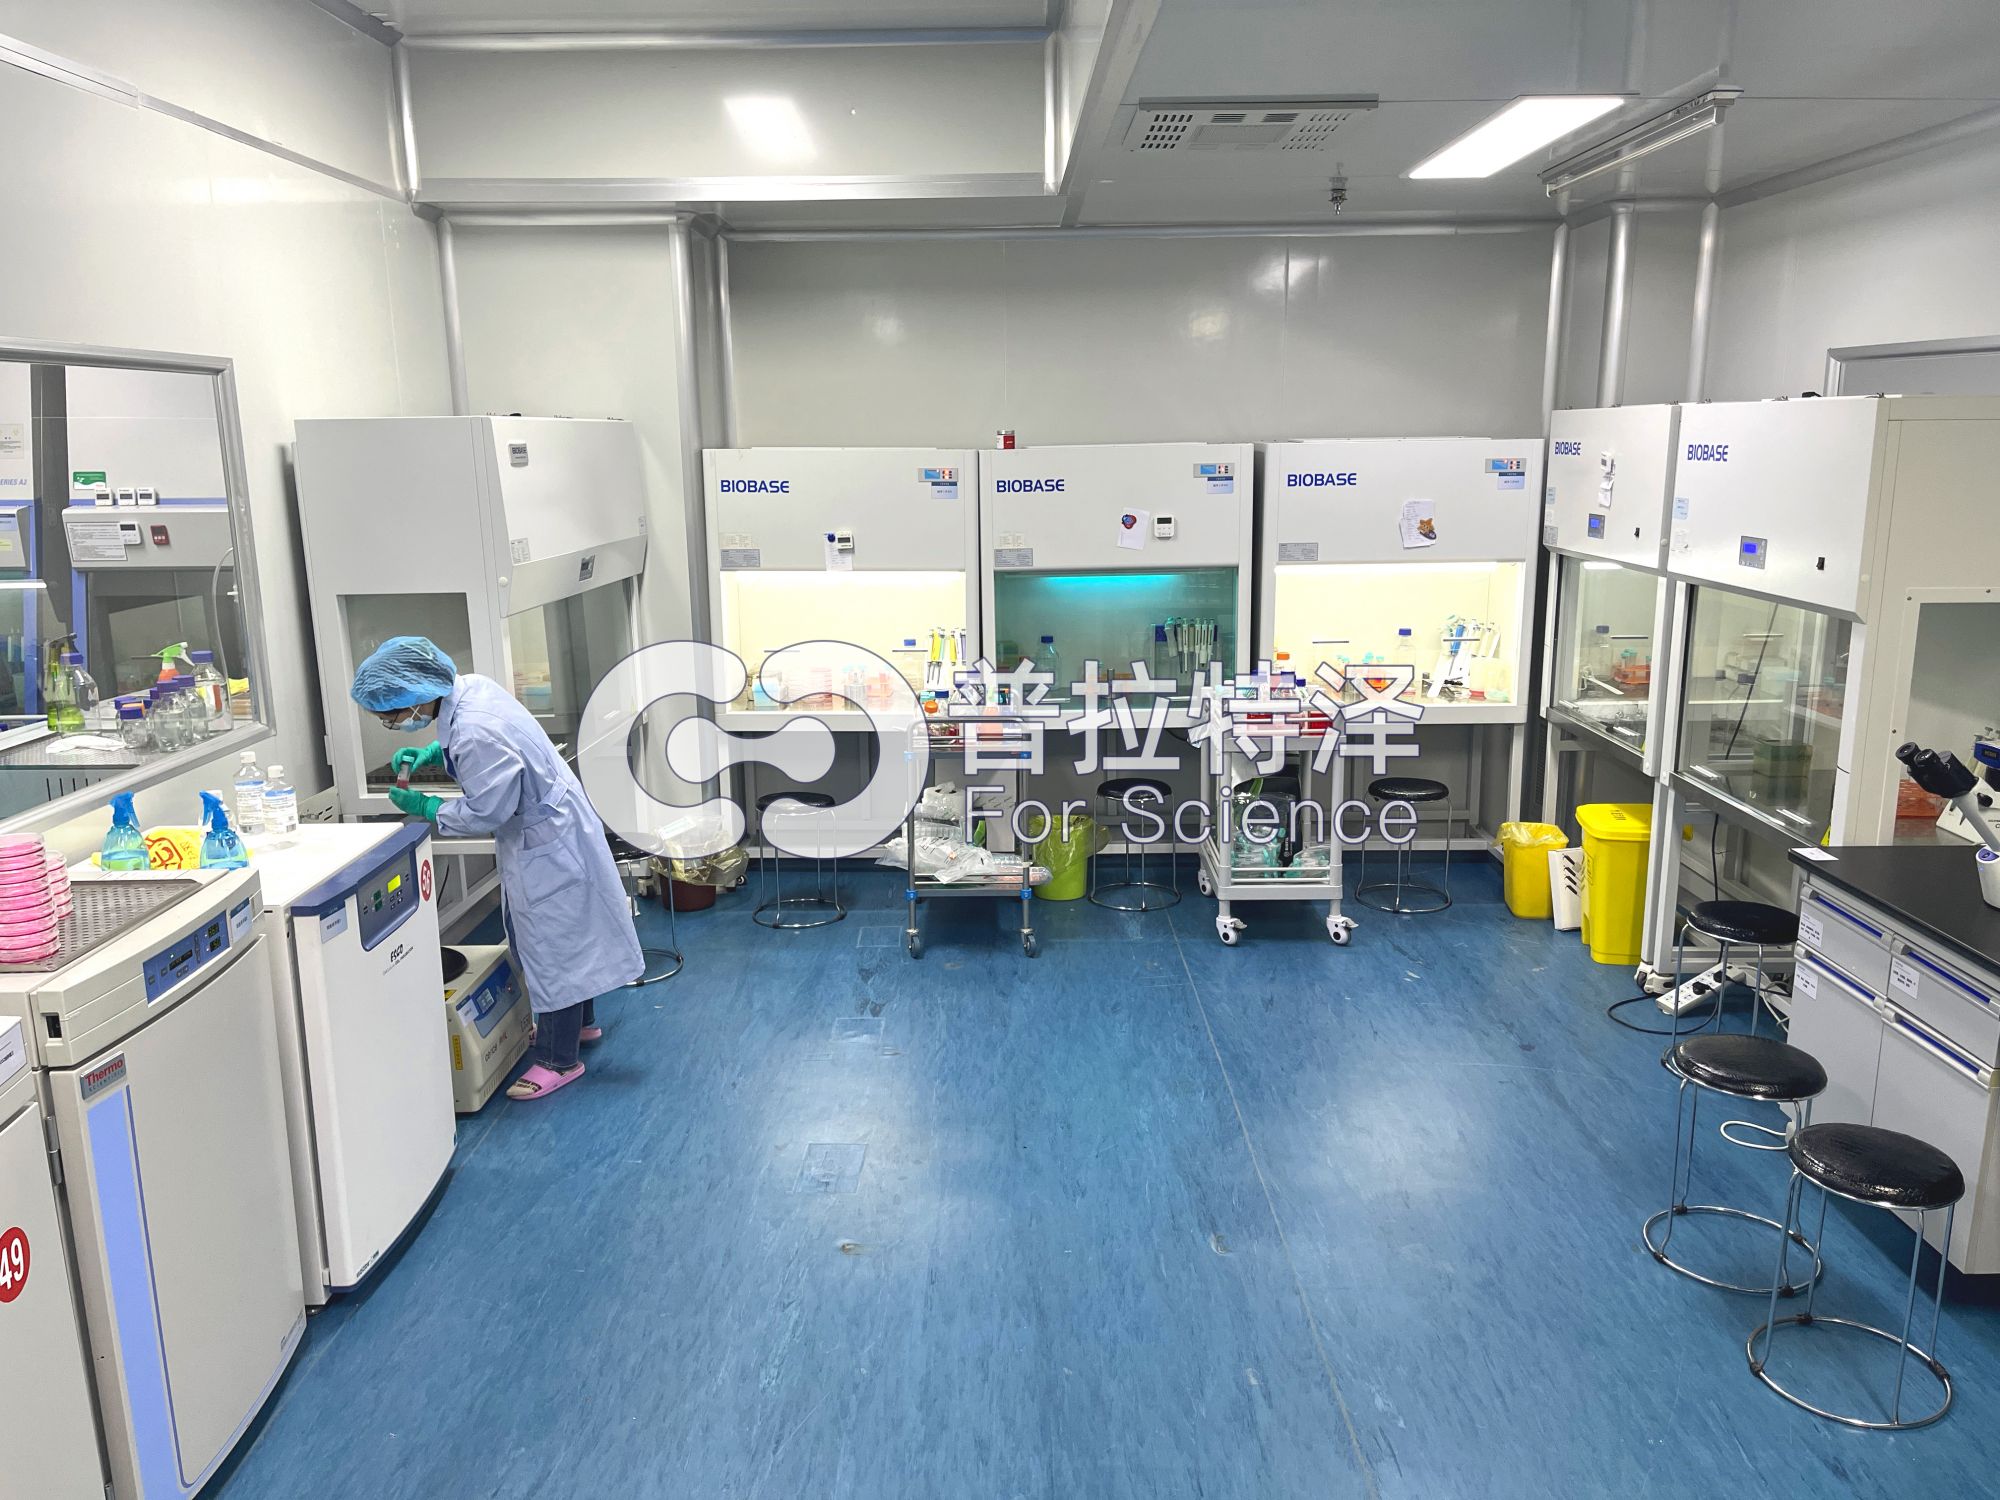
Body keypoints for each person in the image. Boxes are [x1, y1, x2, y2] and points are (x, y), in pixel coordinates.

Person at [351, 635, 642, 1101]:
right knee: (569, 937)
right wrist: (436, 753)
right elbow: (495, 755)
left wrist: (427, 807)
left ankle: (559, 1059)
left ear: (417, 695)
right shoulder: (470, 689)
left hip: (545, 841)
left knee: (552, 949)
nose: (393, 723)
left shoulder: (473, 732)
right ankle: (580, 1025)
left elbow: (487, 811)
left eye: (391, 715)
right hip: (551, 829)